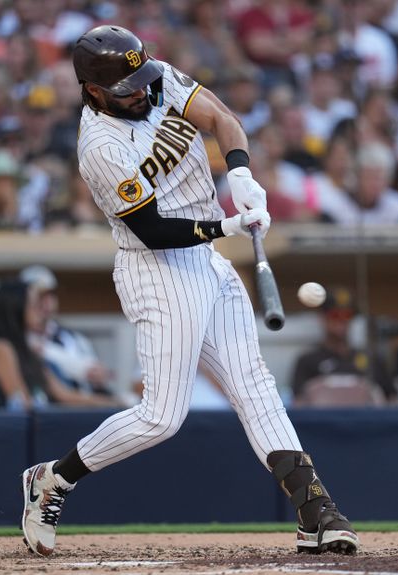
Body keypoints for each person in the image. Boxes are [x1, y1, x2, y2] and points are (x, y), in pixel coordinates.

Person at [20, 25, 359, 558]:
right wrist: (227, 227)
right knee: (161, 417)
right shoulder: (99, 146)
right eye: (126, 87)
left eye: (142, 77)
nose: (142, 91)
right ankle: (52, 479)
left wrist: (242, 175)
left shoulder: (153, 79)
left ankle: (317, 512)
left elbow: (223, 119)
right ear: (92, 90)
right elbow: (152, 228)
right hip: (156, 268)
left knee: (254, 384)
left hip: (204, 258)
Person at [0, 279, 113, 411]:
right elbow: (21, 402)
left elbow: (64, 395)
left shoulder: (29, 347)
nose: (40, 310)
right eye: (34, 305)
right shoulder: (1, 348)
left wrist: (115, 403)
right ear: (16, 308)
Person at [19, 264, 122, 405]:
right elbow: (60, 394)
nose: (46, 302)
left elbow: (96, 379)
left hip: (86, 410)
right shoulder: (18, 342)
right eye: (39, 296)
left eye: (51, 294)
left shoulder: (76, 339)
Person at [291, 287, 388, 407]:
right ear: (322, 318)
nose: (342, 321)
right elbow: (298, 404)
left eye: (347, 315)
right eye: (335, 315)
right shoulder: (307, 361)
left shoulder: (372, 360)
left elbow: (391, 401)